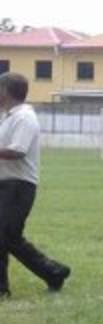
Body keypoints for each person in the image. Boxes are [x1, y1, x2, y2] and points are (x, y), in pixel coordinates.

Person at [0, 73, 71, 299]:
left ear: (5, 91)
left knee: (8, 236)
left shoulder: (25, 117)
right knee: (3, 236)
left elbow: (18, 151)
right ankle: (2, 288)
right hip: (5, 184)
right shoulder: (7, 117)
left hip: (19, 186)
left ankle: (53, 271)